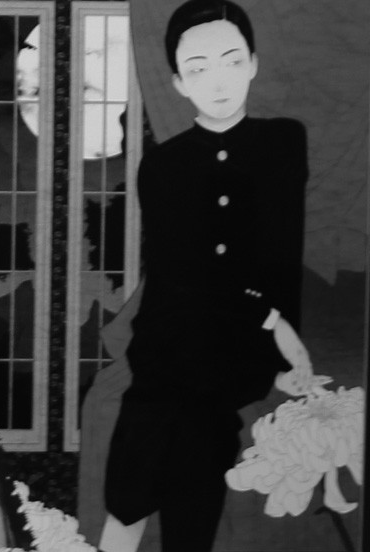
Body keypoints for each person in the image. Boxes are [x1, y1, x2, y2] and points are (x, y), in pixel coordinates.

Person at [99, 1, 315, 550]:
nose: (217, 81)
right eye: (197, 68)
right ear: (177, 82)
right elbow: (184, 274)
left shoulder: (282, 144)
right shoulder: (163, 165)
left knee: (193, 510)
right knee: (128, 498)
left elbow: (281, 255)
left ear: (253, 64)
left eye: (231, 61)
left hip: (227, 364)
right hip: (165, 352)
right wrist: (273, 324)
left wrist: (278, 355)